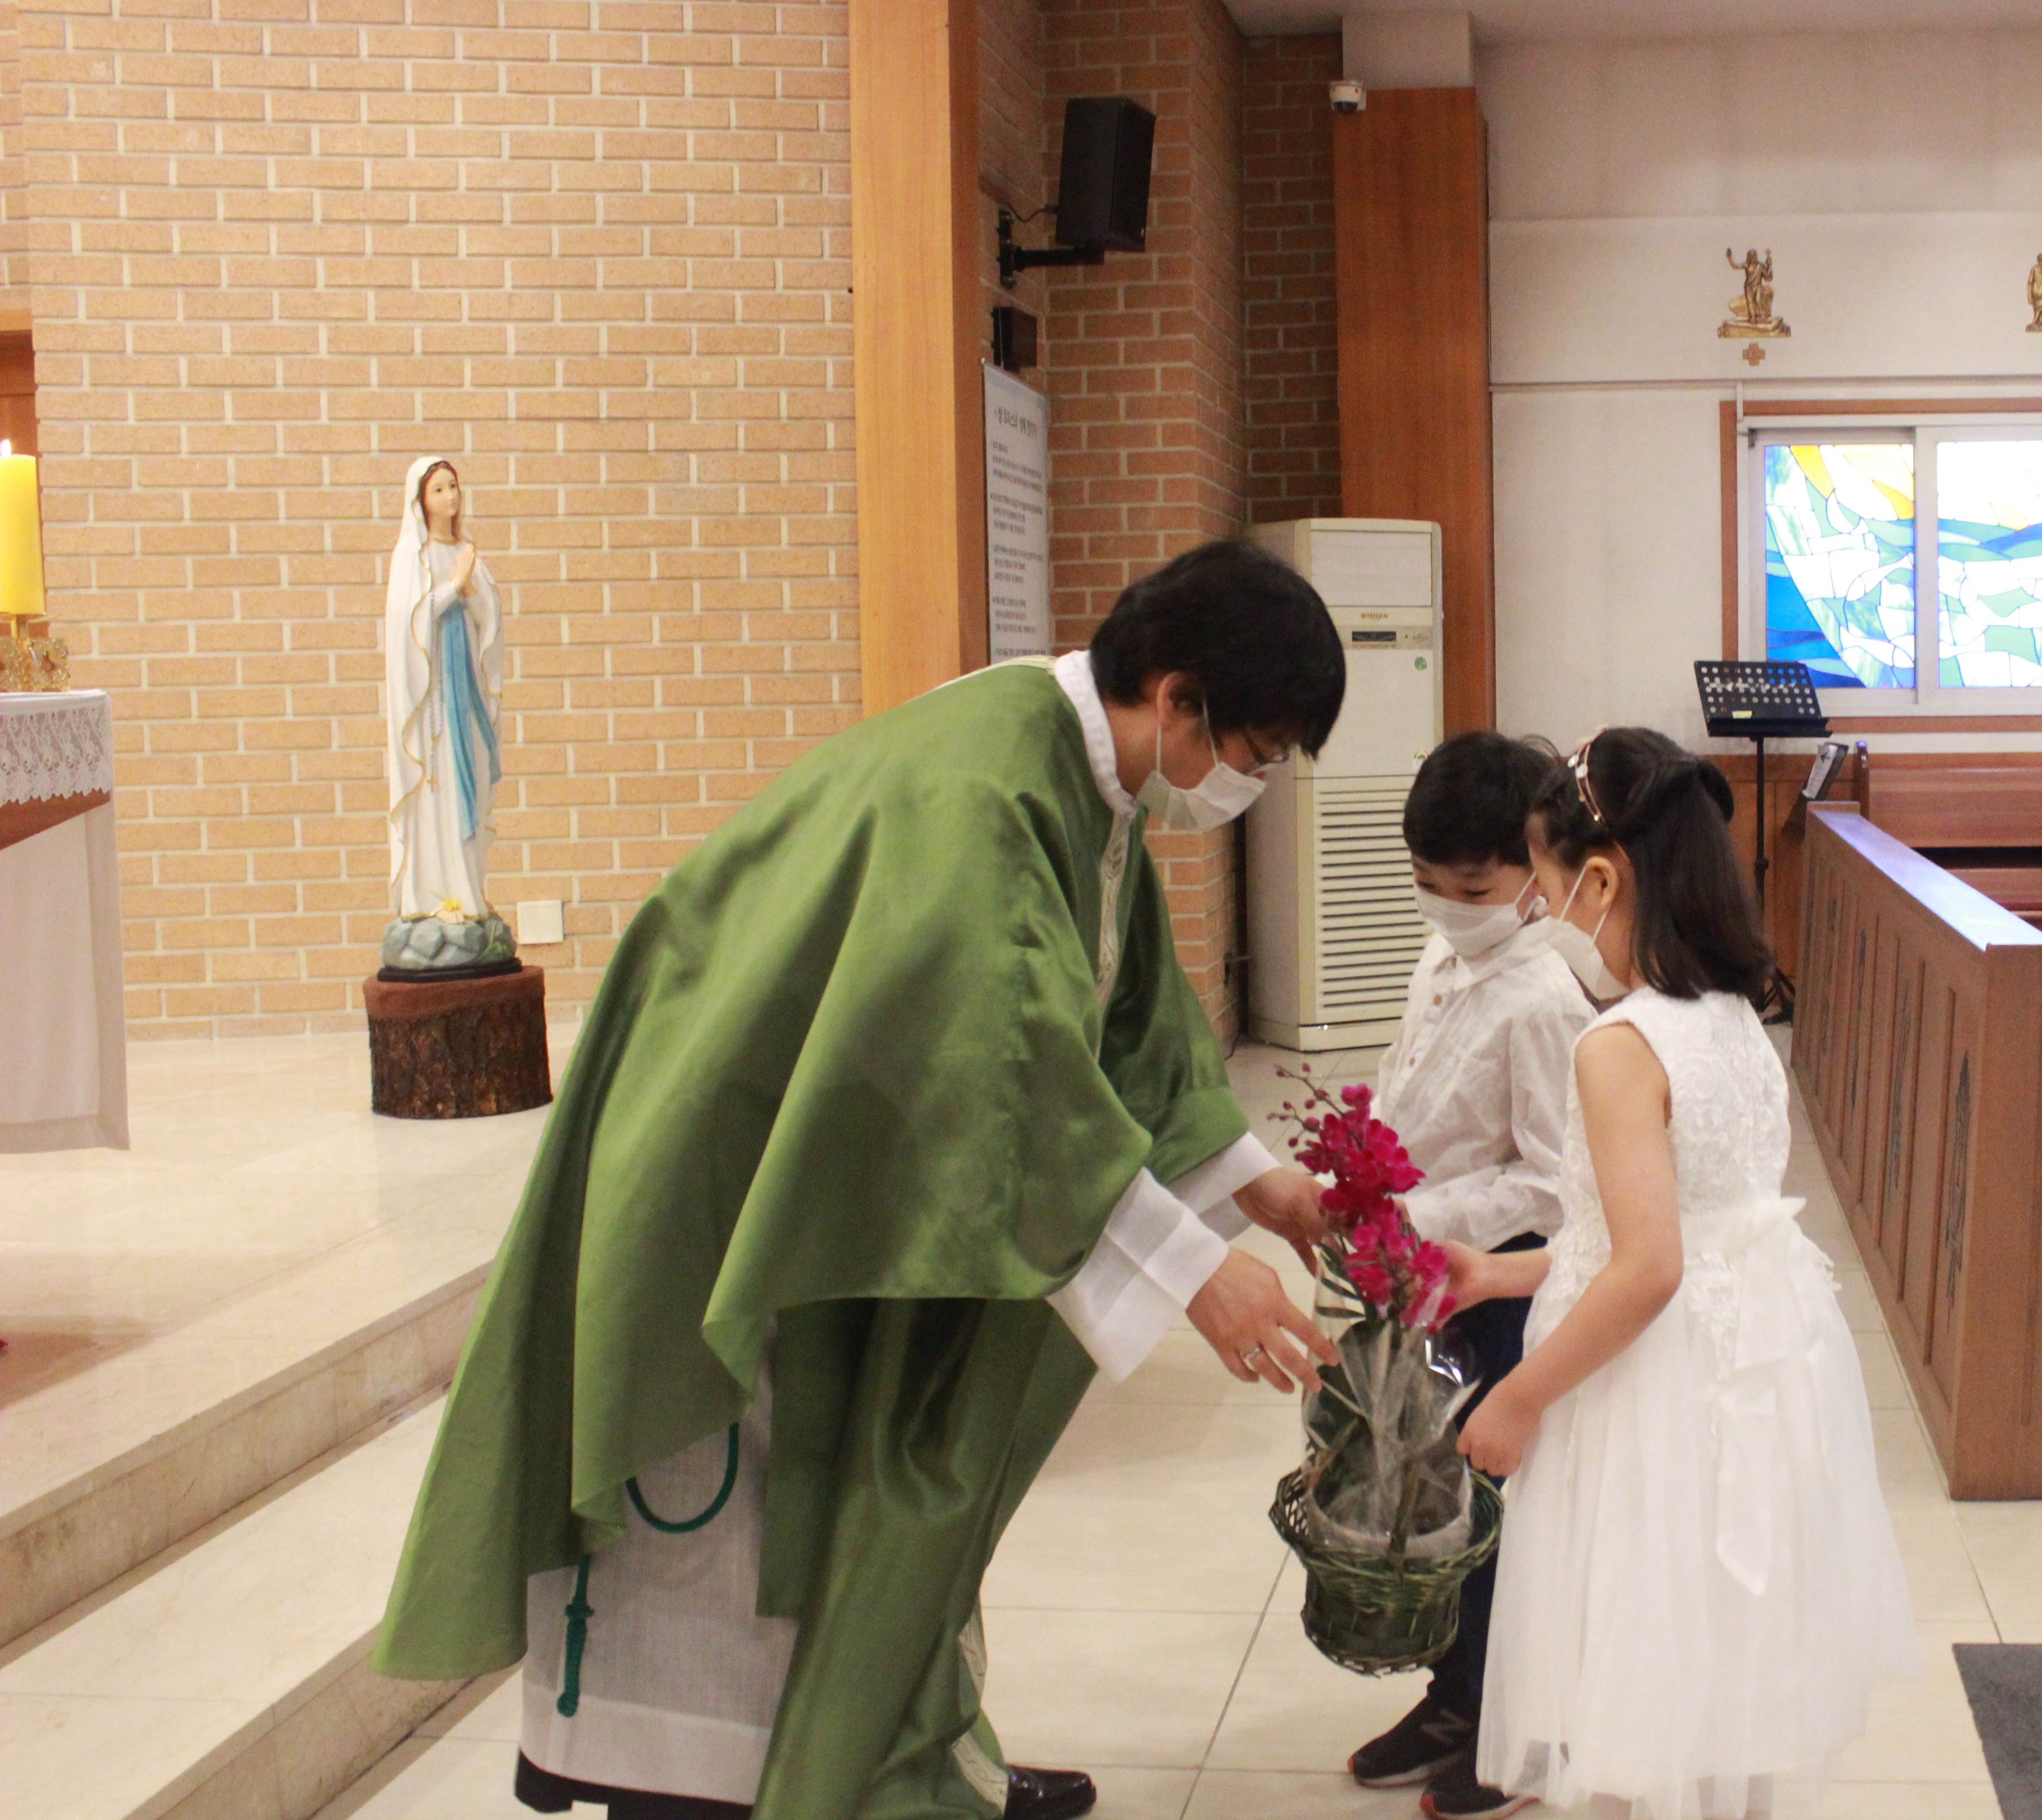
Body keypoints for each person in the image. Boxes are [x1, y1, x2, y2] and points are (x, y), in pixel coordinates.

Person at [372, 540, 1350, 1820]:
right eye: (1254, 753)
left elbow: (1125, 1015)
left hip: (815, 1155)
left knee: (853, 1513)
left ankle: (898, 1755)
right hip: (725, 1179)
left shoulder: (1077, 776)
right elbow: (999, 1067)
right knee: (723, 1540)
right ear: (1178, 698)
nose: (1246, 785)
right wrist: (1191, 1270)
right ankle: (711, 1790)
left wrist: (1259, 1185)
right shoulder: (986, 791)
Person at [1446, 729, 1918, 1820]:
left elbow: (1649, 1269)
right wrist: (1494, 1277)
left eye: (1542, 887)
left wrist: (1518, 1398)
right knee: (1718, 1665)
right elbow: (1676, 1231)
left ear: (1601, 881)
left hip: (1652, 1394)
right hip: (1752, 1372)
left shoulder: (1618, 1045)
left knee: (1635, 1666)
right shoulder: (1733, 1018)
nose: (1538, 912)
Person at [1346, 732, 1595, 1816]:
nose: (1448, 907)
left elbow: (1555, 1182)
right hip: (1427, 1276)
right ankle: (1458, 1695)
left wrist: (1420, 1213)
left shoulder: (1544, 998)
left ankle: (1518, 1719)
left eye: (1473, 889)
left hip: (1498, 1291)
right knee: (1437, 1500)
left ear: (1534, 872)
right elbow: (1409, 1081)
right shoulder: (1441, 957)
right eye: (1427, 884)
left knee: (1501, 1516)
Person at [383, 456, 504, 924]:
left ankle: (469, 889)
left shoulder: (466, 552)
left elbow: (487, 620)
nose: (450, 496)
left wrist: (473, 593)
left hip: (465, 689)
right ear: (421, 500)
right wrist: (455, 587)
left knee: (471, 772)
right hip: (433, 698)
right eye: (439, 489)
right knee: (438, 788)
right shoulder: (411, 557)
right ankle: (436, 896)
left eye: (453, 486)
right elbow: (409, 621)